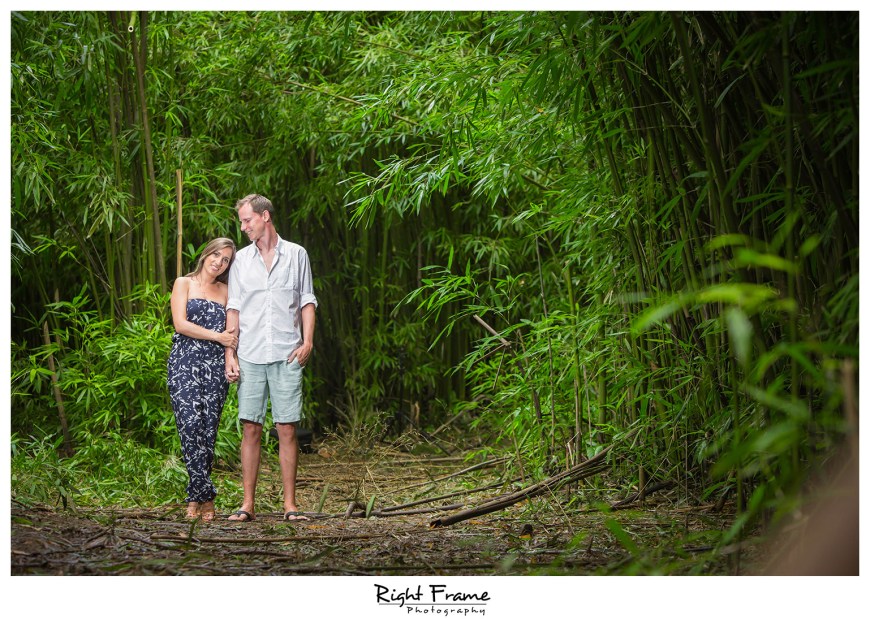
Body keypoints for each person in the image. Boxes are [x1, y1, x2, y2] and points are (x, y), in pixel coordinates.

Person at [224, 194, 317, 522]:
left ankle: (290, 506)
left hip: (286, 352)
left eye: (247, 220)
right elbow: (233, 307)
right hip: (250, 354)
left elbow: (307, 300)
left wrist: (308, 341)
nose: (243, 226)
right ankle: (247, 505)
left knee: (287, 430)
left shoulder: (296, 255)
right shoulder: (241, 261)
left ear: (265, 216)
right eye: (241, 221)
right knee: (250, 428)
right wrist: (230, 353)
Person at [167, 238, 238, 522]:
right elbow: (180, 324)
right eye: (216, 255)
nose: (219, 262)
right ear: (206, 253)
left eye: (226, 260)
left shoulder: (227, 291)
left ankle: (196, 500)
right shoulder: (183, 283)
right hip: (184, 362)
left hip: (215, 366)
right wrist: (217, 336)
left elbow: (233, 332)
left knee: (208, 432)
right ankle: (207, 498)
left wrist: (229, 354)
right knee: (190, 426)